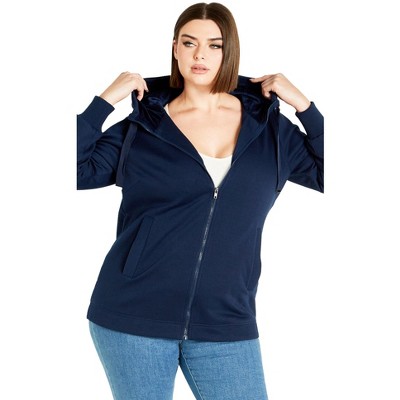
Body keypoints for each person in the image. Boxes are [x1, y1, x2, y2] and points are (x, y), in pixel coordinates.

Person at [77, 2, 323, 399]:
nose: (200, 55)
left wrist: (305, 108)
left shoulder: (270, 130)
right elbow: (74, 169)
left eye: (214, 45)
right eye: (189, 43)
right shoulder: (143, 126)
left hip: (226, 321)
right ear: (175, 48)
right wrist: (103, 102)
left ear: (230, 52)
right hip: (132, 318)